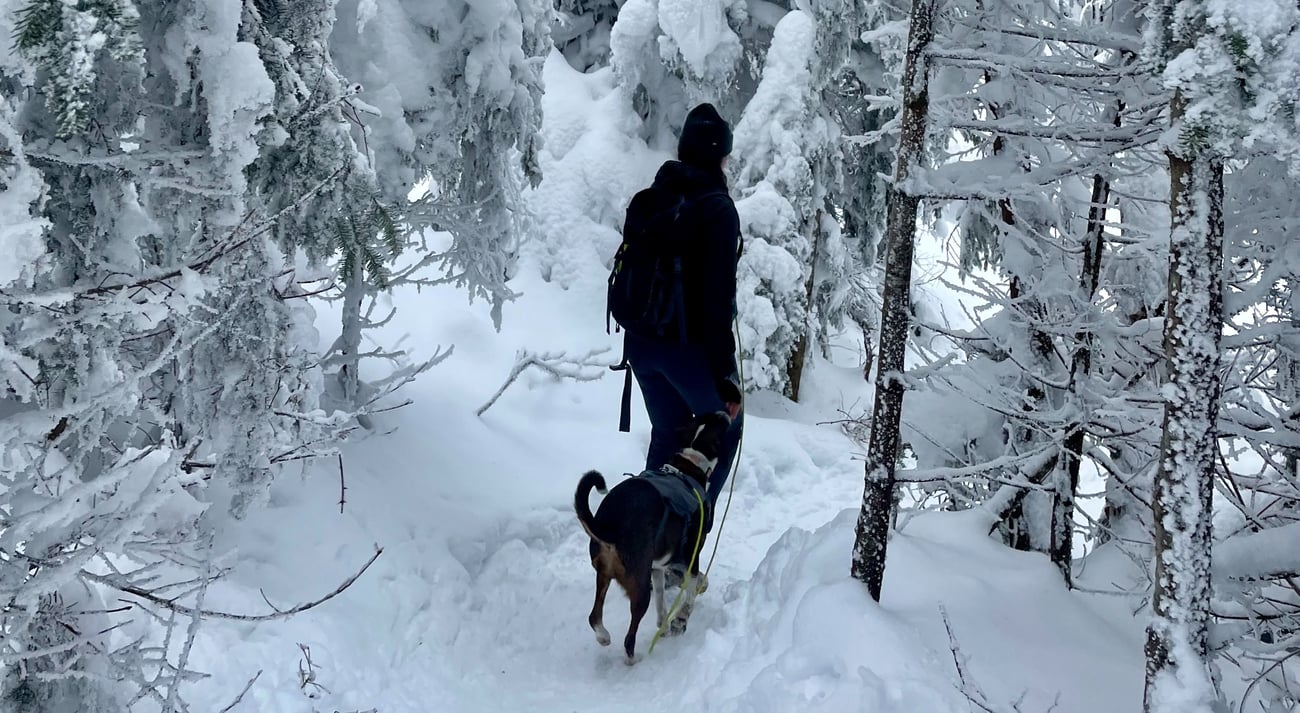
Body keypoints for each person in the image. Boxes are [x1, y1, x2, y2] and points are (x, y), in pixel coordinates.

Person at [621, 102, 744, 557]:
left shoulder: (657, 194)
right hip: (685, 350)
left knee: (669, 435)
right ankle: (683, 548)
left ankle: (643, 543)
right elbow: (714, 304)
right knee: (725, 429)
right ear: (719, 156)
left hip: (640, 345)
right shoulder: (717, 210)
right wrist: (725, 375)